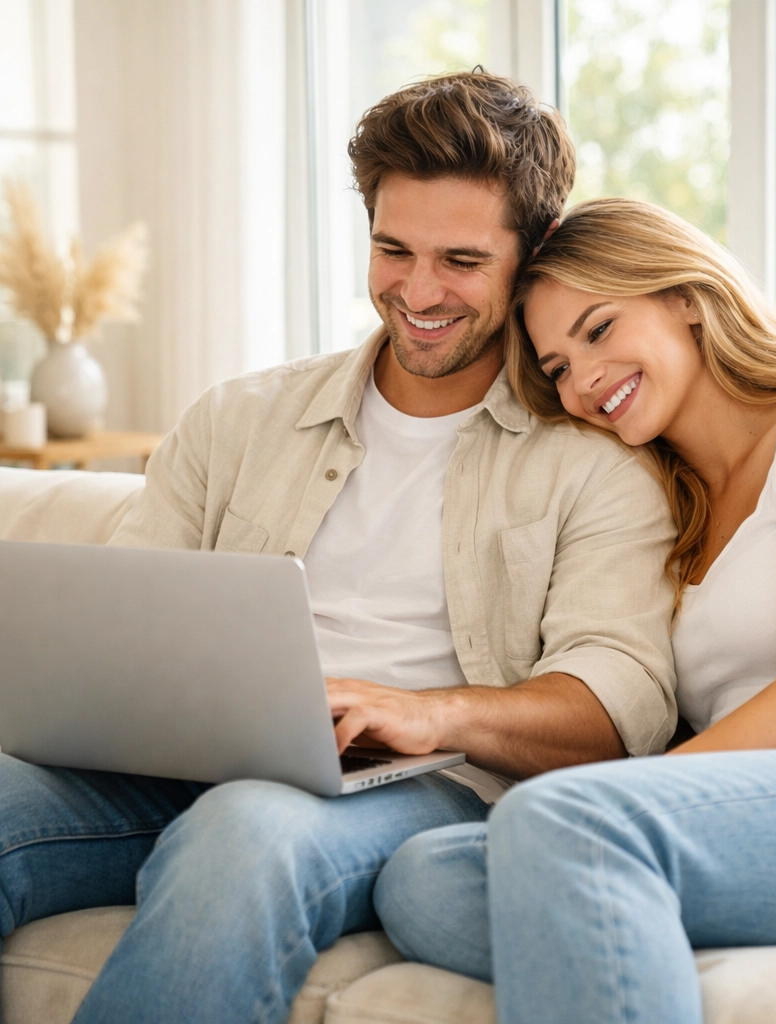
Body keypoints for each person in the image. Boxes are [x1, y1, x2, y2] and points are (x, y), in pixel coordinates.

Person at [0, 81, 680, 1024]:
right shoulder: (240, 418)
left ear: (533, 255)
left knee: (246, 833)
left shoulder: (595, 461)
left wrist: (425, 713)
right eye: (393, 249)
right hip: (185, 764)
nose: (420, 290)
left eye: (463, 260)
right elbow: (119, 614)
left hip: (427, 789)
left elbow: (620, 704)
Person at [373, 197, 776, 1024]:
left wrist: (612, 807)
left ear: (684, 296)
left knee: (556, 827)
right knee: (420, 878)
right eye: (560, 367)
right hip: (775, 800)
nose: (584, 379)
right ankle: (624, 929)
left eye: (599, 330)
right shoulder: (660, 511)